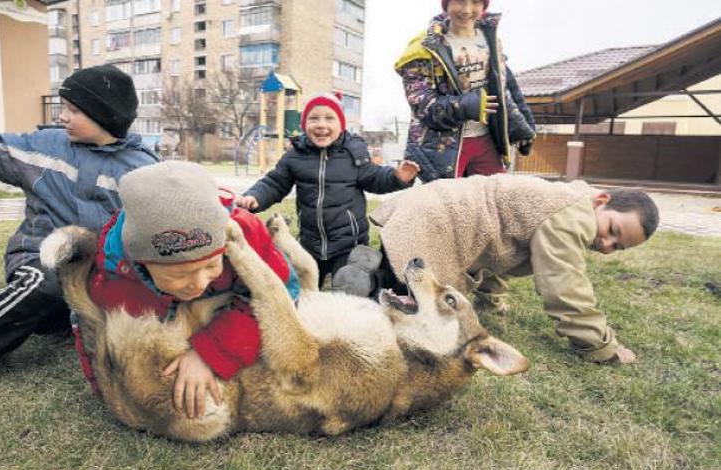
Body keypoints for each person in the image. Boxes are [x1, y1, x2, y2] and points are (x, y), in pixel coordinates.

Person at [0, 65, 159, 364]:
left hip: (97, 280)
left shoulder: (142, 171)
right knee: (48, 279)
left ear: (104, 115)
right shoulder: (45, 147)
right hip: (39, 259)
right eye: (64, 107)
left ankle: (71, 321)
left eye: (73, 109)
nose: (62, 116)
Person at [363, 174, 660, 364]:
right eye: (612, 229)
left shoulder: (564, 202)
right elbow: (565, 285)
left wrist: (490, 300)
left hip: (437, 205)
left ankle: (371, 272)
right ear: (600, 201)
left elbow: (499, 251)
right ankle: (370, 289)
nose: (606, 242)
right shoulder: (572, 217)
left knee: (408, 275)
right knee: (422, 305)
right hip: (440, 219)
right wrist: (601, 346)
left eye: (617, 246)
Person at [82, 161, 300, 419]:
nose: (198, 283)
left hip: (234, 300)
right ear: (142, 262)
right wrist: (103, 384)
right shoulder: (115, 275)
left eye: (211, 264)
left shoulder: (244, 235)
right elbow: (92, 326)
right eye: (179, 274)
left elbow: (278, 298)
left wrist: (209, 354)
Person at [235, 93, 419, 288]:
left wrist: (398, 178)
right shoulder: (295, 156)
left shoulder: (353, 153)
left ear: (341, 125)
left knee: (351, 285)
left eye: (329, 118)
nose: (321, 125)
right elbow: (274, 183)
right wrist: (254, 196)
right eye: (314, 118)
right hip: (310, 243)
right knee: (298, 287)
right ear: (305, 125)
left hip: (348, 244)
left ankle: (366, 280)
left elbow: (374, 177)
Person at [395, 0, 536, 182]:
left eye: (476, 2)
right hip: (441, 148)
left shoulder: (491, 39)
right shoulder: (424, 47)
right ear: (446, 4)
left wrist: (525, 127)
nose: (467, 10)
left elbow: (507, 87)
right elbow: (421, 103)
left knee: (493, 200)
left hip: (486, 140)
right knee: (448, 206)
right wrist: (468, 105)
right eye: (460, 1)